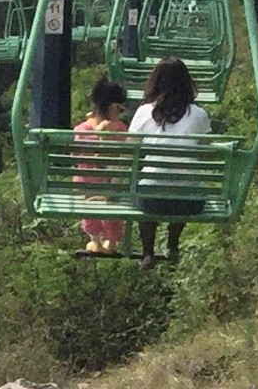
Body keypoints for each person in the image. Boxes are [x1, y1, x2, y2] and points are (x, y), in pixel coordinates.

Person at [131, 53, 212, 264]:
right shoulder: (199, 115)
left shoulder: (143, 112)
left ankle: (148, 252)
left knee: (146, 186)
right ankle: (173, 244)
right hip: (188, 203)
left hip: (151, 201)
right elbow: (205, 151)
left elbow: (130, 149)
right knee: (184, 184)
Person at [73, 74, 131, 252]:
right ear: (113, 107)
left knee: (86, 187)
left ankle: (94, 239)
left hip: (86, 189)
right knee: (114, 193)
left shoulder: (81, 130)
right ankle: (111, 241)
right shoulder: (121, 130)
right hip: (113, 189)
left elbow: (76, 157)